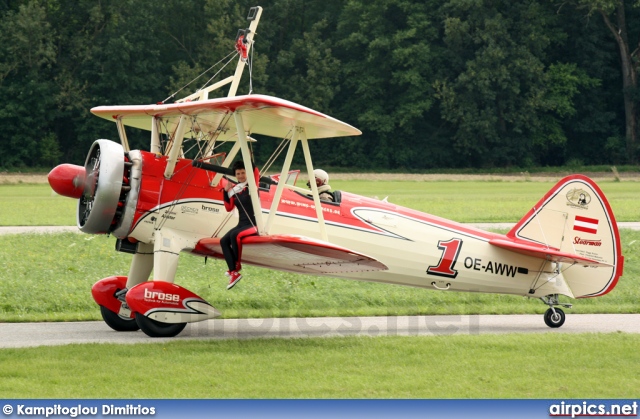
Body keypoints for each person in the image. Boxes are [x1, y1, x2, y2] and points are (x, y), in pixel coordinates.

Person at [220, 160, 259, 290]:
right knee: (223, 240)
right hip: (241, 223)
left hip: (253, 224)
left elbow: (255, 171)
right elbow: (228, 207)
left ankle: (235, 269)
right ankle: (233, 270)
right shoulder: (234, 189)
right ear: (235, 175)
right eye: (238, 173)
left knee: (235, 236)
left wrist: (246, 153)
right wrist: (225, 192)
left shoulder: (252, 185)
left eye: (243, 172)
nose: (241, 175)